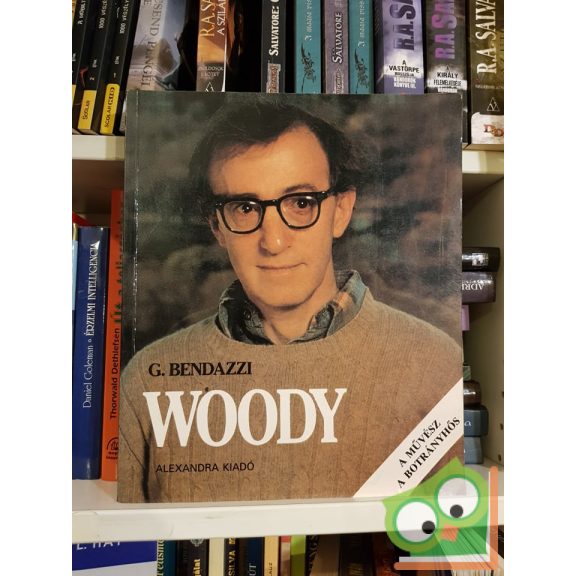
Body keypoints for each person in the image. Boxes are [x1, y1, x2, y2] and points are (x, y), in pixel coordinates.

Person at [118, 98, 463, 503]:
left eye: (301, 203)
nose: (274, 241)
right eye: (245, 208)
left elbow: (458, 532)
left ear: (341, 211)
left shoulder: (436, 364)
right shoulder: (149, 378)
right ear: (217, 227)